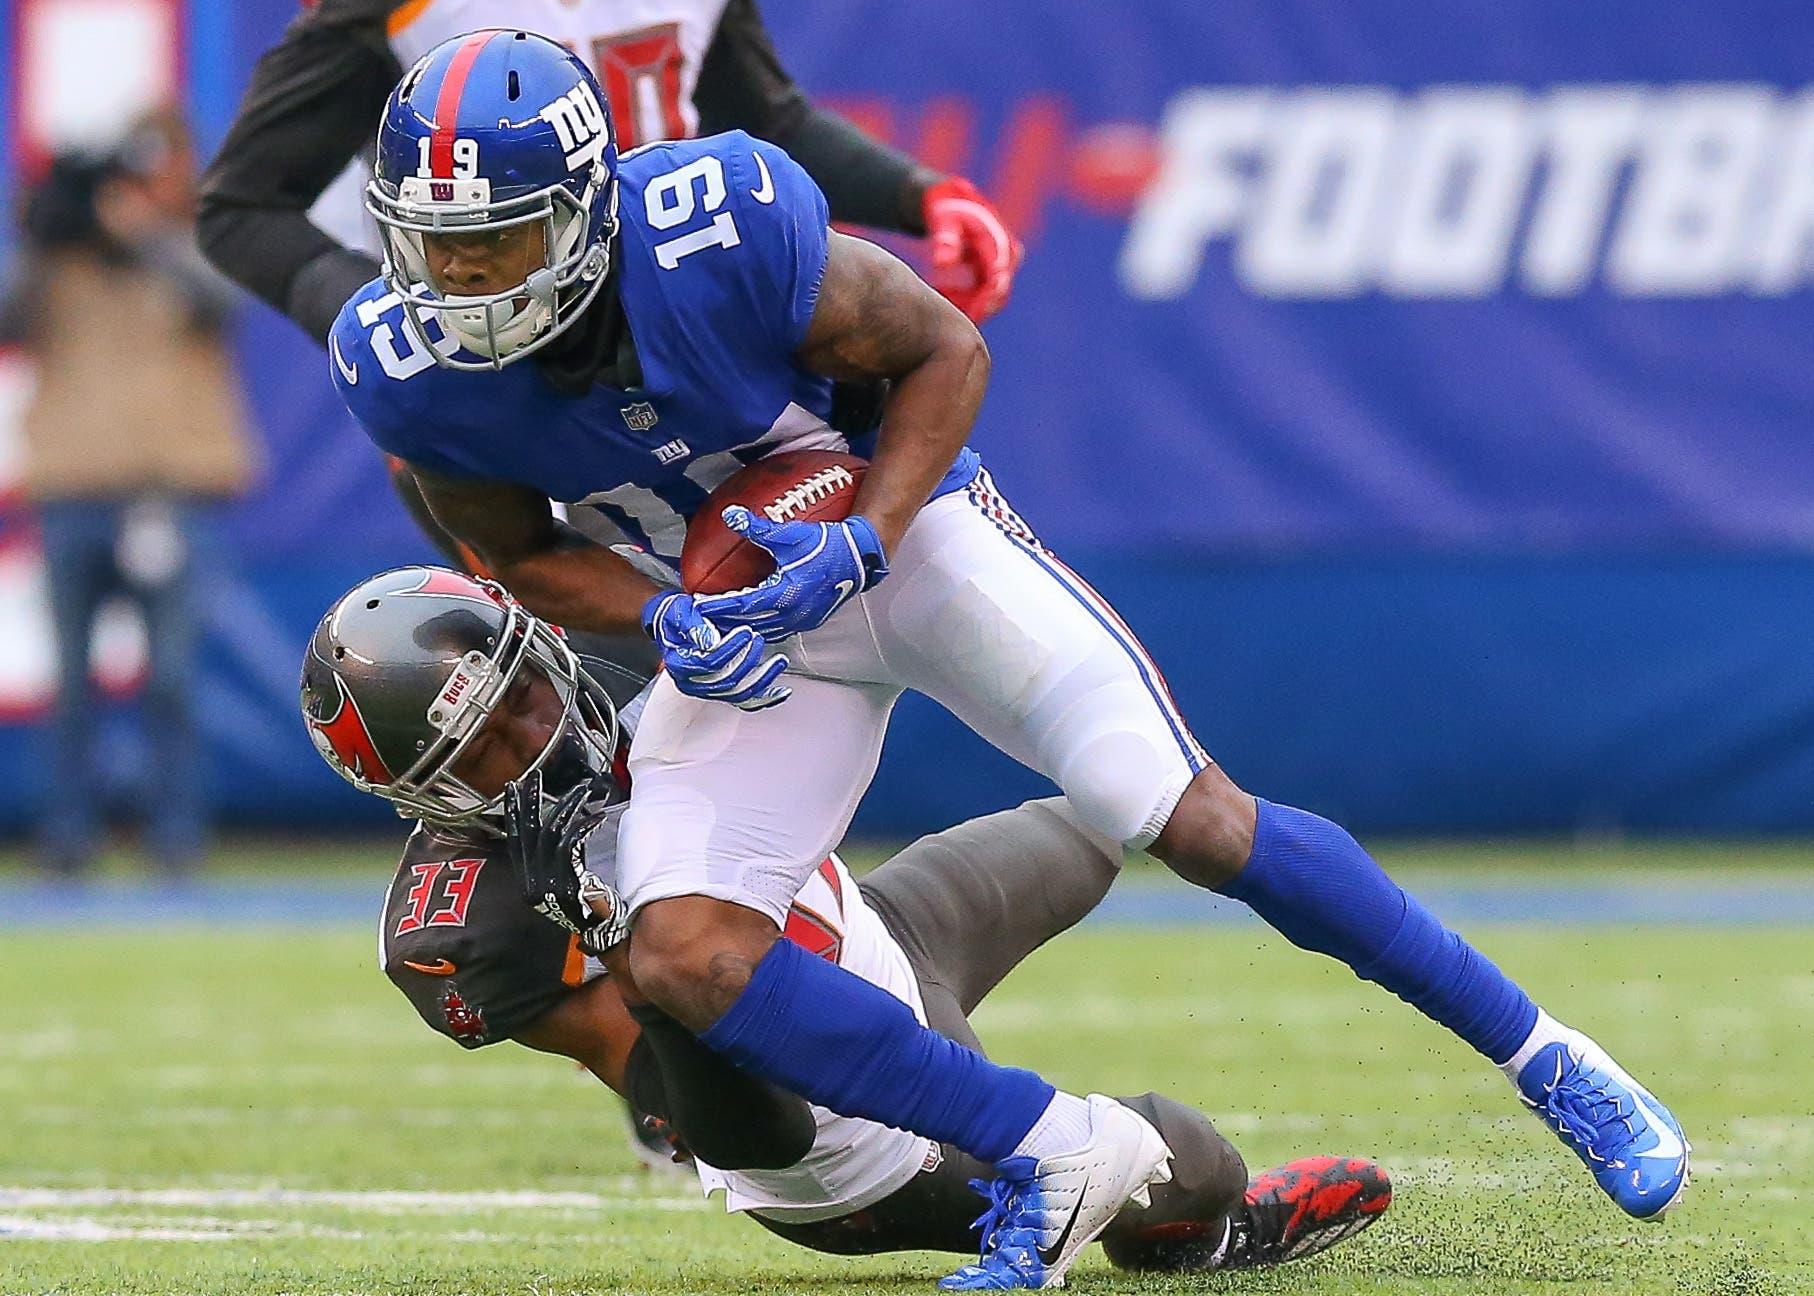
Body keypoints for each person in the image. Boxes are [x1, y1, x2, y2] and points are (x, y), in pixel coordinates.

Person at [327, 34, 1687, 1287]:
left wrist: (859, 542)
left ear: (584, 211)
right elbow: (513, 551)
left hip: (901, 542)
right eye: (433, 247)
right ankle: (1052, 1147)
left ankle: (1551, 1059)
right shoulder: (403, 366)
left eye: (493, 245)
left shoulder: (718, 227)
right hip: (746, 630)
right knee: (683, 954)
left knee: (1189, 820)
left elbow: (941, 351)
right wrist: (658, 618)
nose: (455, 282)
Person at [301, 564, 1393, 1278]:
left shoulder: (623, 653)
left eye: (522, 699)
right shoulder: (467, 924)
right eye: (480, 753)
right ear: (421, 796)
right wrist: (619, 942)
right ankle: (1201, 1238)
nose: (531, 741)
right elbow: (711, 1114)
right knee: (1180, 1154)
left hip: (874, 930)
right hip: (855, 1148)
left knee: (1099, 813)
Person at [197, 0, 1019, 572]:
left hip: (689, 331)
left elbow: (769, 121)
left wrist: (917, 193)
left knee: (790, 608)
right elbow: (240, 205)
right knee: (606, 673)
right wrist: (417, 324)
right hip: (520, 371)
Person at [4, 108, 254, 878]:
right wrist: (50, 225)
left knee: (174, 679)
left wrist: (143, 233)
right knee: (72, 684)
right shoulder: (57, 263)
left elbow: (224, 304)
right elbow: (9, 314)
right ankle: (68, 840)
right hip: (74, 487)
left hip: (168, 493)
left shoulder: (189, 246)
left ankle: (176, 840)